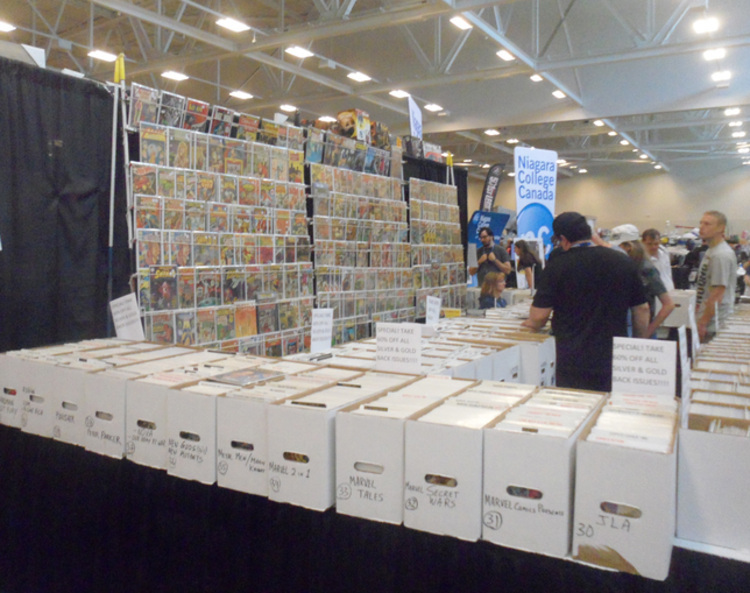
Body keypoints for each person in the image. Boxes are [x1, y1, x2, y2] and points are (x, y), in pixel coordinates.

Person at [521, 212, 649, 391]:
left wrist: (525, 325)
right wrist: (637, 345)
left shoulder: (557, 265)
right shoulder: (622, 261)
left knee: (574, 403)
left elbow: (538, 317)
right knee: (610, 403)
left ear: (564, 239)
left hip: (571, 357)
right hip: (613, 355)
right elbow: (642, 309)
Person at [695, 211, 737, 341]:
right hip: (708, 320)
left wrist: (703, 322)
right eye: (701, 223)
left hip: (714, 324)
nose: (701, 227)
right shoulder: (712, 250)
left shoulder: (720, 255)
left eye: (707, 224)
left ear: (721, 228)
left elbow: (717, 293)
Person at [620, 240, 676, 337]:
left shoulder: (647, 270)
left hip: (641, 328)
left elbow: (668, 305)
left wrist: (648, 331)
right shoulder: (631, 268)